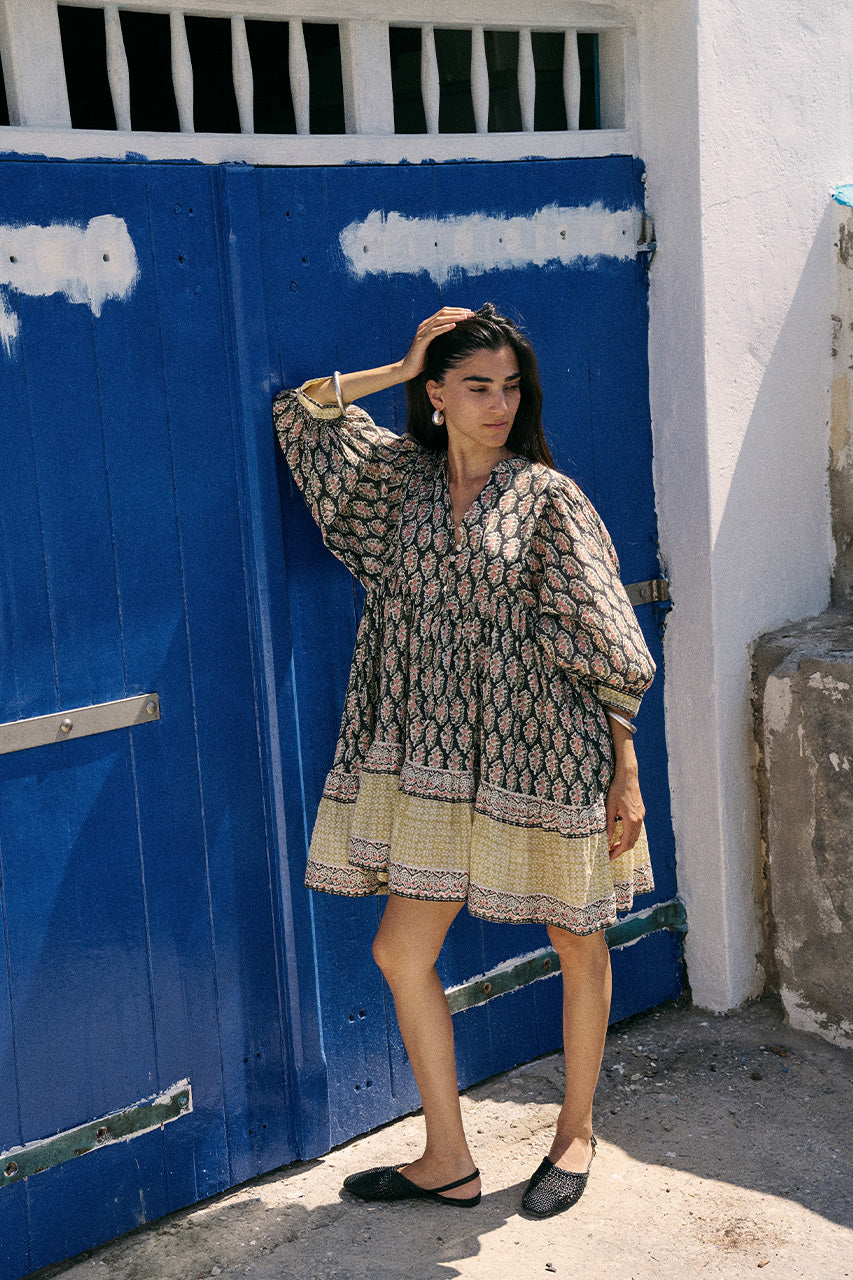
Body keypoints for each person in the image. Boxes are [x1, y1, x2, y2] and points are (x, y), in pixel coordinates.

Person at [272, 304, 655, 1217]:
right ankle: (447, 1156)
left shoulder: (546, 498)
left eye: (508, 386)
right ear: (436, 395)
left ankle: (574, 1131)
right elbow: (300, 414)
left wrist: (624, 771)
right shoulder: (394, 483)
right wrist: (398, 364)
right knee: (402, 950)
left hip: (542, 745)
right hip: (431, 752)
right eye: (473, 386)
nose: (495, 403)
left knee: (575, 935)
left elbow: (605, 640)